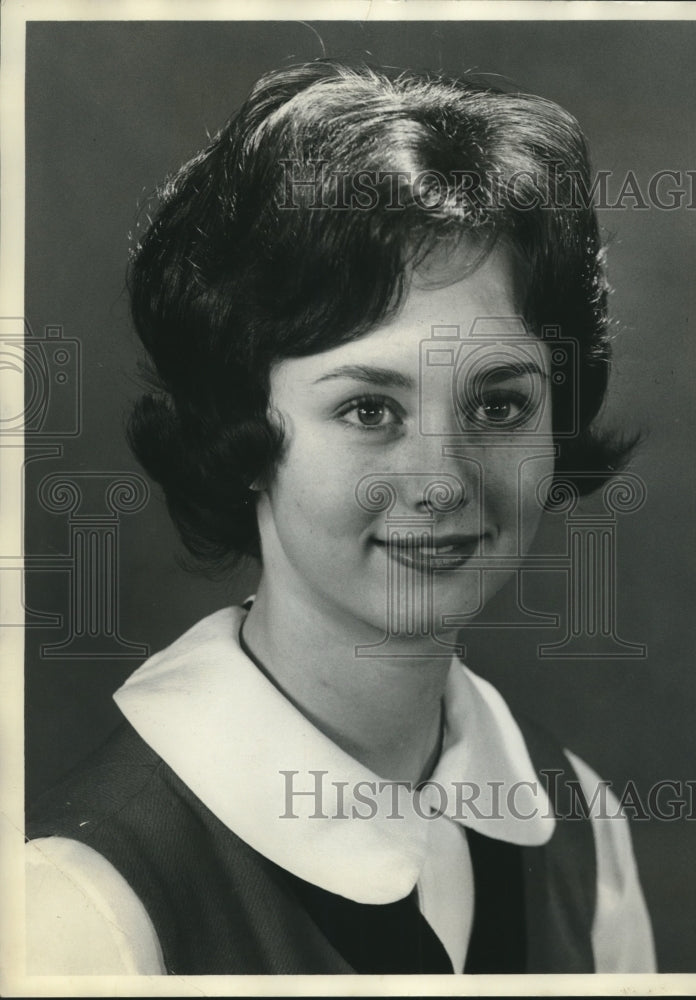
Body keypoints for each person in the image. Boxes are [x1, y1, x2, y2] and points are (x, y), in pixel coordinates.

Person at [25, 59, 656, 975]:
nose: (442, 481)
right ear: (243, 433)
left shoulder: (582, 834)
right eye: (369, 410)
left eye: (499, 405)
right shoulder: (83, 906)